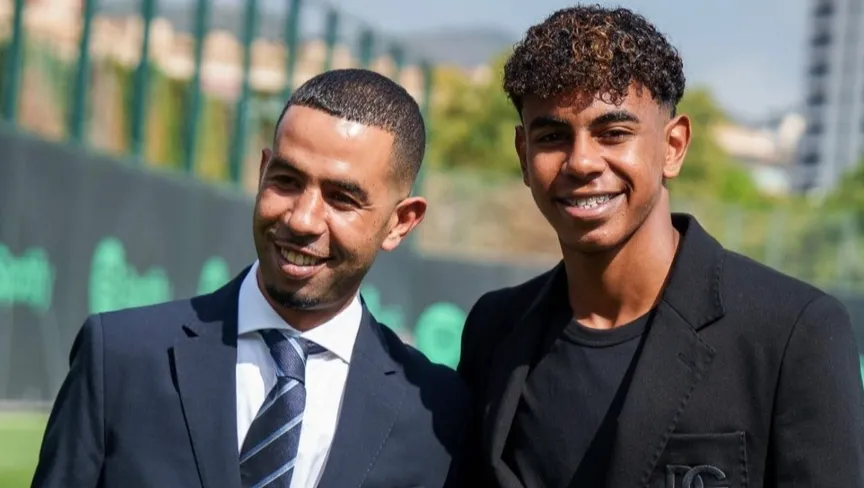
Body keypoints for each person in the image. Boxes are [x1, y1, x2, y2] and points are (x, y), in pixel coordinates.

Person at [455, 5, 864, 488]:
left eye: (613, 133)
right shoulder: (494, 330)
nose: (581, 161)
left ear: (673, 147)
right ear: (524, 156)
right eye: (553, 136)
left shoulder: (795, 334)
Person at [32, 68, 471, 488]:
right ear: (263, 172)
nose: (301, 219)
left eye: (341, 198)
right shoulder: (120, 358)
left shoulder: (437, 413)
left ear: (400, 222)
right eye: (287, 180)